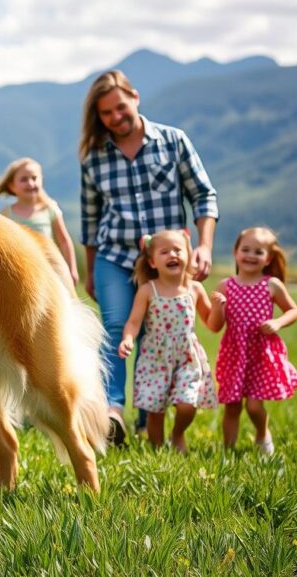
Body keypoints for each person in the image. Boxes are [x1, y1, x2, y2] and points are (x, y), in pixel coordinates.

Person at [79, 70, 219, 446]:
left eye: (120, 107)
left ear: (135, 98)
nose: (115, 117)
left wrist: (203, 246)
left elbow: (204, 196)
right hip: (114, 255)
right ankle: (112, 412)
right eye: (106, 113)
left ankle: (147, 418)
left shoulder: (173, 141)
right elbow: (91, 220)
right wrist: (91, 270)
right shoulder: (94, 157)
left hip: (165, 262)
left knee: (153, 334)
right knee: (115, 329)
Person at [118, 230, 218, 452]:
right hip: (155, 358)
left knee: (187, 405)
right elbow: (134, 322)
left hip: (187, 357)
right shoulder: (147, 290)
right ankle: (157, 449)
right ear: (153, 262)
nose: (172, 254)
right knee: (155, 410)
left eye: (177, 250)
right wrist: (127, 339)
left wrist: (219, 308)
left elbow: (212, 323)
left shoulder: (195, 289)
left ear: (188, 256)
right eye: (165, 252)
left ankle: (177, 434)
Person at [208, 227, 297, 454]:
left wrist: (278, 323)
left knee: (253, 404)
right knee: (232, 405)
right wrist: (219, 308)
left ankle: (262, 434)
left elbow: (293, 311)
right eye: (246, 249)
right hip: (234, 352)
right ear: (235, 252)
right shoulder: (225, 286)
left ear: (268, 258)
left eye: (258, 252)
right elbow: (214, 326)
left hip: (261, 352)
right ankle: (228, 451)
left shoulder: (272, 285)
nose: (251, 255)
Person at [0, 157, 79, 285]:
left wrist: (71, 269)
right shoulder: (6, 213)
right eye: (24, 179)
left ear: (41, 181)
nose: (31, 183)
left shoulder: (50, 209)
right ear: (12, 186)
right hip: (21, 272)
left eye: (34, 178)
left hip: (49, 270)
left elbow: (64, 241)